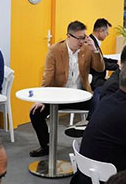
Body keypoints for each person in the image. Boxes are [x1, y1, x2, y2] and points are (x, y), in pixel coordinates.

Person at [29, 21, 104, 158]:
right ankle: (46, 145)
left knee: (100, 105)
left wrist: (95, 50)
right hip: (59, 97)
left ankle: (88, 140)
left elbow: (100, 69)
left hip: (81, 96)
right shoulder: (55, 50)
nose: (82, 41)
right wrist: (41, 99)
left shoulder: (87, 49)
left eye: (84, 37)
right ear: (68, 36)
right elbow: (48, 77)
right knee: (35, 113)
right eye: (79, 38)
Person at [89, 18, 118, 89]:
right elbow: (99, 63)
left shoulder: (93, 41)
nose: (107, 35)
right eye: (107, 33)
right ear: (101, 31)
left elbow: (101, 59)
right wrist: (117, 66)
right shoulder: (90, 44)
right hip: (95, 80)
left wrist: (116, 61)